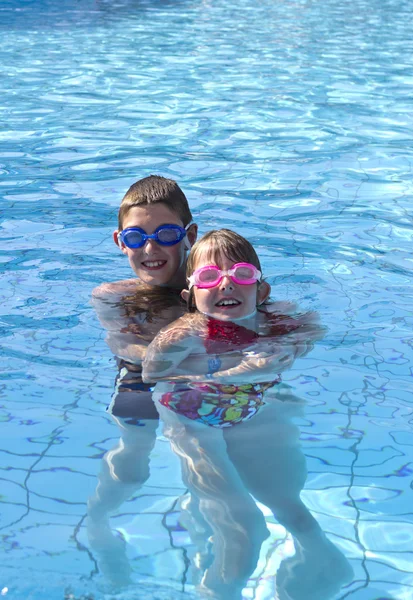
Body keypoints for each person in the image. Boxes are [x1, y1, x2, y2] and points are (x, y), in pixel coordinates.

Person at [142, 230, 353, 599]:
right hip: (192, 414)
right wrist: (236, 374)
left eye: (241, 275)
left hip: (250, 409)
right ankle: (220, 591)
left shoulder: (274, 323)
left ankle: (325, 558)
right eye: (209, 277)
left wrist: (290, 347)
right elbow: (151, 373)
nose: (226, 285)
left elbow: (315, 328)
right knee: (244, 524)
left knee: (284, 497)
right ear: (190, 297)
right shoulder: (187, 332)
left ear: (262, 291)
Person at [87, 175, 197, 585]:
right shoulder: (113, 295)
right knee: (132, 461)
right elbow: (132, 353)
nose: (150, 249)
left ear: (190, 234)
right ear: (120, 241)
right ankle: (98, 524)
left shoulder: (218, 288)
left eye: (165, 234)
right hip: (140, 384)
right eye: (136, 237)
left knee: (206, 463)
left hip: (205, 383)